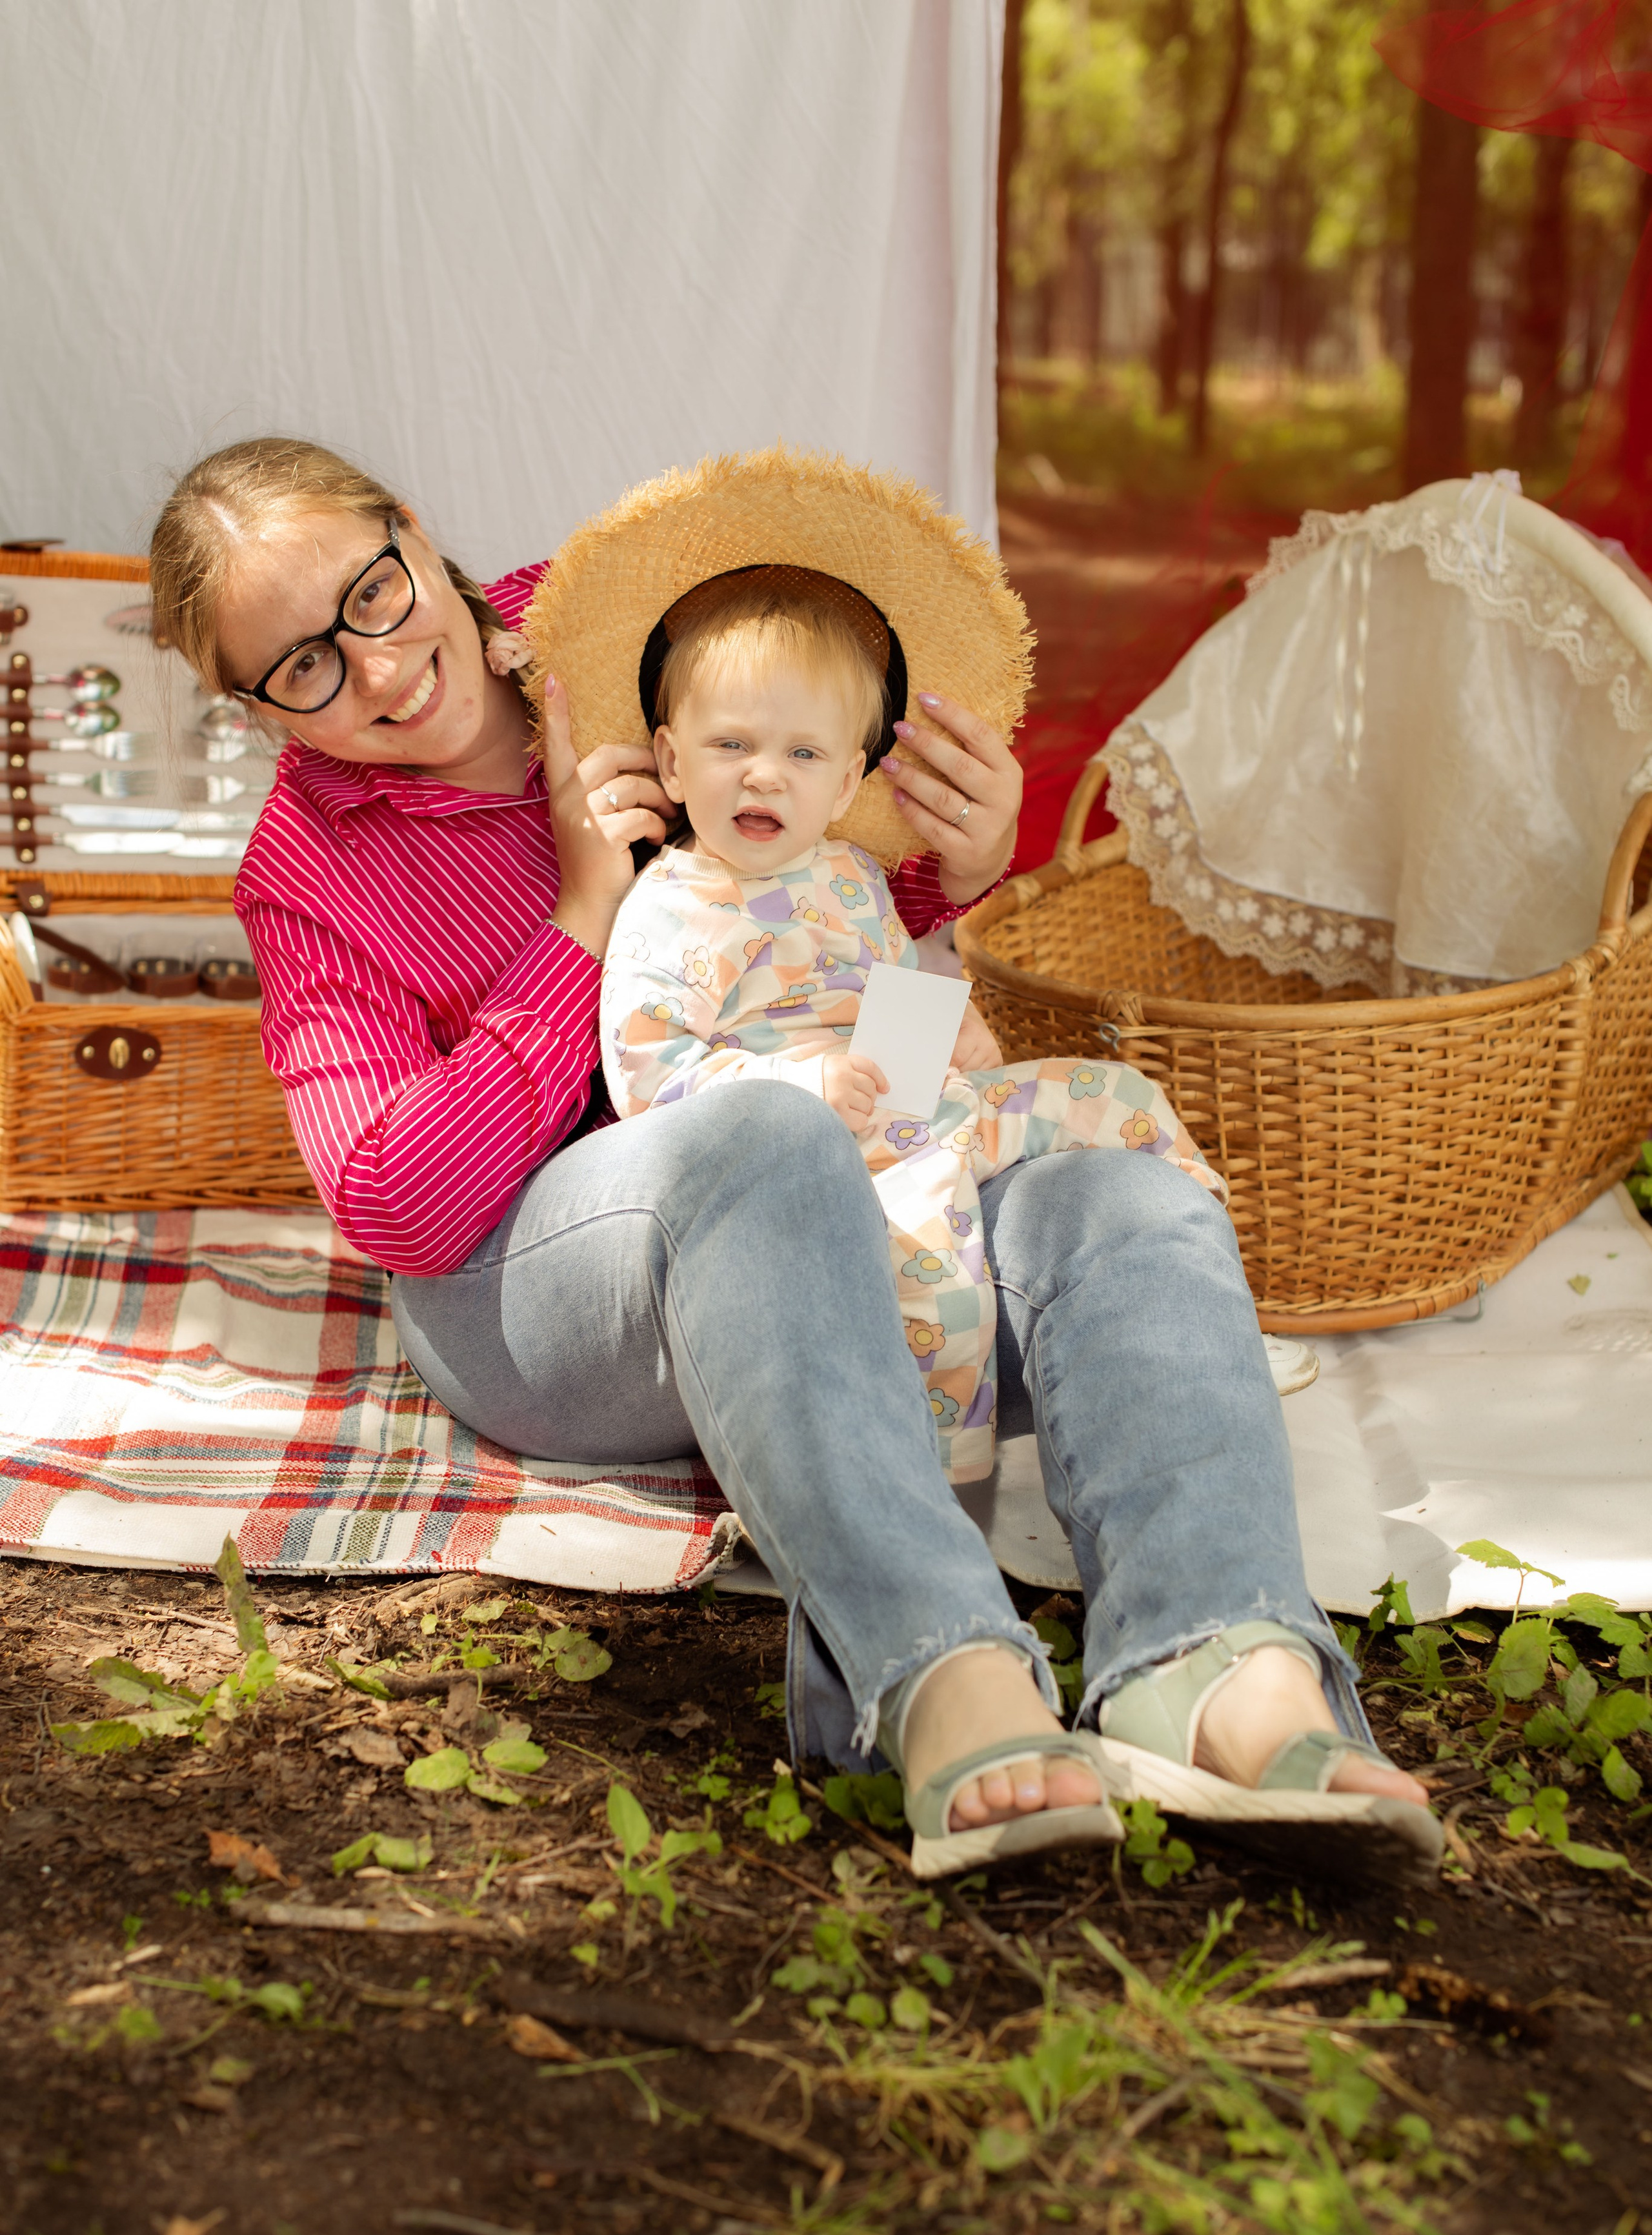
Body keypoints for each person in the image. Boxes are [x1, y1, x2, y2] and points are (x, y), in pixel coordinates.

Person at [147, 436, 1440, 1884]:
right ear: (253, 708)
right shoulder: (309, 870)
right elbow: (404, 1203)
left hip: (845, 1202)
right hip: (548, 1291)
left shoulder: (612, 624)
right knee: (762, 1135)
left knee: (1107, 1191)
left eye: (371, 593)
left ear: (411, 529)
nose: (376, 671)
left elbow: (832, 893)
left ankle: (1217, 1664)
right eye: (302, 669)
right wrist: (577, 916)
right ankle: (937, 1674)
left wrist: (963, 863)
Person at [598, 571, 1225, 1492]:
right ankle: (945, 1472)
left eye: (804, 754)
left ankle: (1206, 1293)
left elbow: (886, 985)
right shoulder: (668, 910)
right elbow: (650, 1080)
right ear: (672, 759)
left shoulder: (851, 872)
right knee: (938, 1256)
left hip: (930, 1104)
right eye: (730, 743)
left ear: (850, 778)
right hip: (830, 1160)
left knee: (1118, 1092)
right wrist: (805, 1096)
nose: (763, 773)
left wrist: (952, 1019)